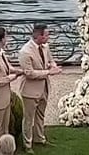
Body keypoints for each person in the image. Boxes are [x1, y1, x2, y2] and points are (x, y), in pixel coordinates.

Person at [18, 23, 61, 151]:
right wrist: (49, 72)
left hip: (44, 88)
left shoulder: (45, 47)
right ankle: (27, 145)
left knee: (41, 115)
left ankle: (39, 138)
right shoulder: (25, 52)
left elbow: (50, 59)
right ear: (39, 36)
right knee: (28, 119)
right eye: (47, 35)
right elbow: (29, 73)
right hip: (30, 91)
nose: (49, 37)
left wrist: (53, 65)